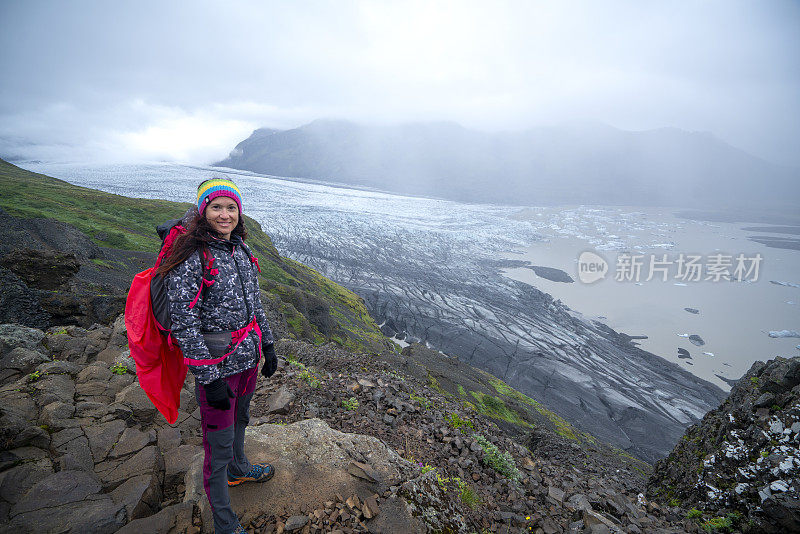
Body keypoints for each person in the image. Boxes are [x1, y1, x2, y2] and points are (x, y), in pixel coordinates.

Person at [157, 177, 278, 534]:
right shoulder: (192, 255)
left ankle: (240, 470)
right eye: (216, 207)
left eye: (231, 208)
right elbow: (184, 323)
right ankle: (224, 523)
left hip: (247, 359)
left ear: (239, 213)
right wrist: (207, 380)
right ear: (202, 210)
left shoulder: (240, 250)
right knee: (218, 446)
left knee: (242, 418)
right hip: (217, 367)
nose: (224, 215)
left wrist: (267, 345)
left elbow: (255, 304)